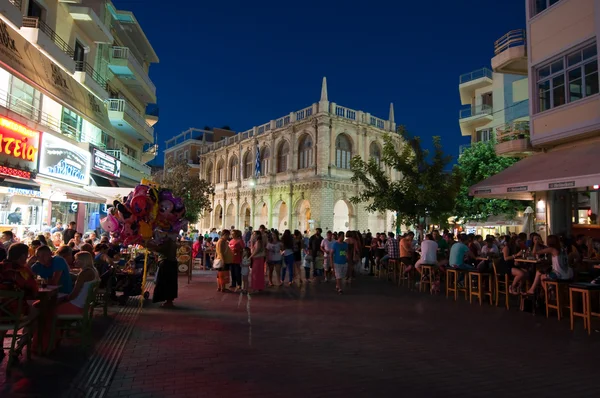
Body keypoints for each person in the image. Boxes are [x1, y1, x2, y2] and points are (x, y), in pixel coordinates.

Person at [0, 243, 39, 359]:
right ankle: (19, 347)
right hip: (14, 314)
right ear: (22, 256)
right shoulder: (23, 272)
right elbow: (34, 293)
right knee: (37, 313)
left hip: (1, 312)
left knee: (4, 310)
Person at [54, 252, 99, 316]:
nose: (74, 262)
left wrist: (65, 299)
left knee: (51, 308)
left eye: (76, 260)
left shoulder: (84, 273)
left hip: (76, 306)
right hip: (84, 305)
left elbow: (74, 294)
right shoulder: (93, 270)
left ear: (83, 261)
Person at [152, 239, 178, 307]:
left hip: (167, 263)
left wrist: (150, 246)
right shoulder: (171, 241)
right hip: (170, 263)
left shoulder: (168, 241)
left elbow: (161, 249)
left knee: (166, 283)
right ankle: (169, 301)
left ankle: (168, 301)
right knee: (169, 283)